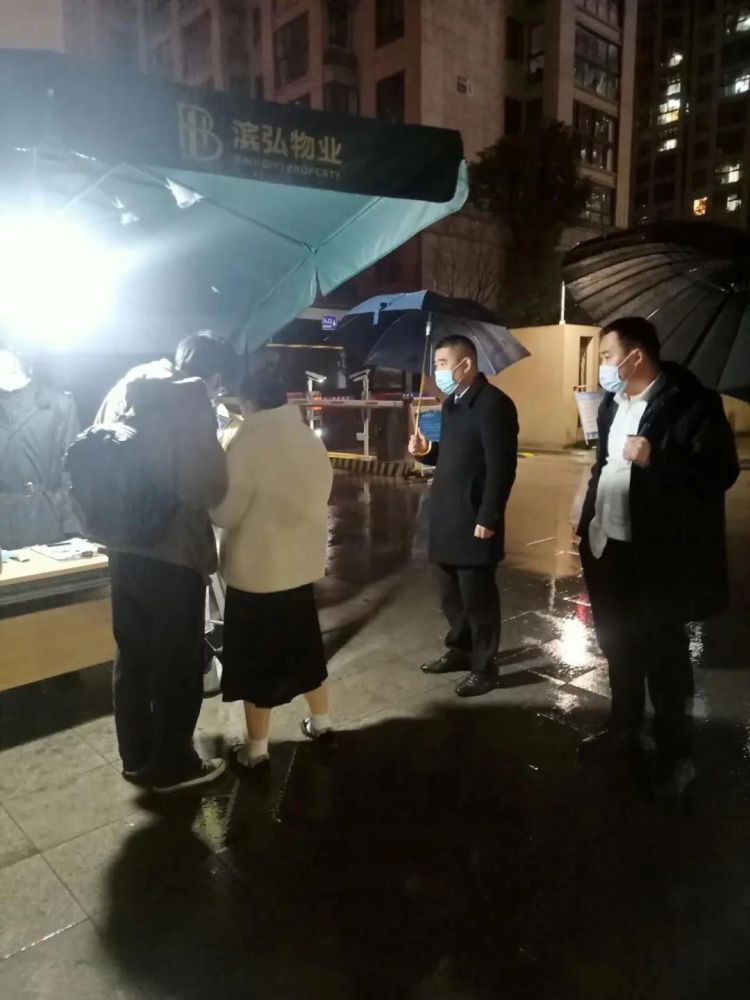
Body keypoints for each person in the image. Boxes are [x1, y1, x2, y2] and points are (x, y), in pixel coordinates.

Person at [577, 317, 739, 796]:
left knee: (665, 658)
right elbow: (603, 466)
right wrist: (587, 522)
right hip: (607, 549)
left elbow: (720, 472)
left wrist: (657, 458)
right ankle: (624, 728)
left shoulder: (693, 402)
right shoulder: (612, 403)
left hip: (657, 557)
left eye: (607, 357)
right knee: (617, 647)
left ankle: (675, 754)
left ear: (636, 356)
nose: (602, 367)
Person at [97, 335, 231, 793]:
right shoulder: (191, 398)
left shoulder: (125, 387)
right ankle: (174, 765)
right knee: (177, 660)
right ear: (214, 377)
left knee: (132, 655)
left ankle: (135, 757)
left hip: (123, 547)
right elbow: (209, 486)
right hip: (173, 553)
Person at [211, 365, 334, 770]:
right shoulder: (307, 437)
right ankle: (322, 723)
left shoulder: (246, 443)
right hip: (300, 569)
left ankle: (257, 750)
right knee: (305, 650)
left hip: (258, 574)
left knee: (256, 664)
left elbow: (226, 513)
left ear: (248, 401)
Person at [408, 335, 519, 698]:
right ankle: (460, 649)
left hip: (474, 517)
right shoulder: (452, 404)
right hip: (446, 515)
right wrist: (427, 450)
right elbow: (454, 454)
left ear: (466, 363)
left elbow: (501, 467)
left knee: (478, 598)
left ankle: (484, 667)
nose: (437, 371)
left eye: (442, 363)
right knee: (450, 595)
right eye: (436, 364)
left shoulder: (494, 405)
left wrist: (489, 516)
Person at [0, 342, 81, 549]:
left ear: (13, 359)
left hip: (43, 521)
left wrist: (73, 529)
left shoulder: (59, 404)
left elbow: (71, 472)